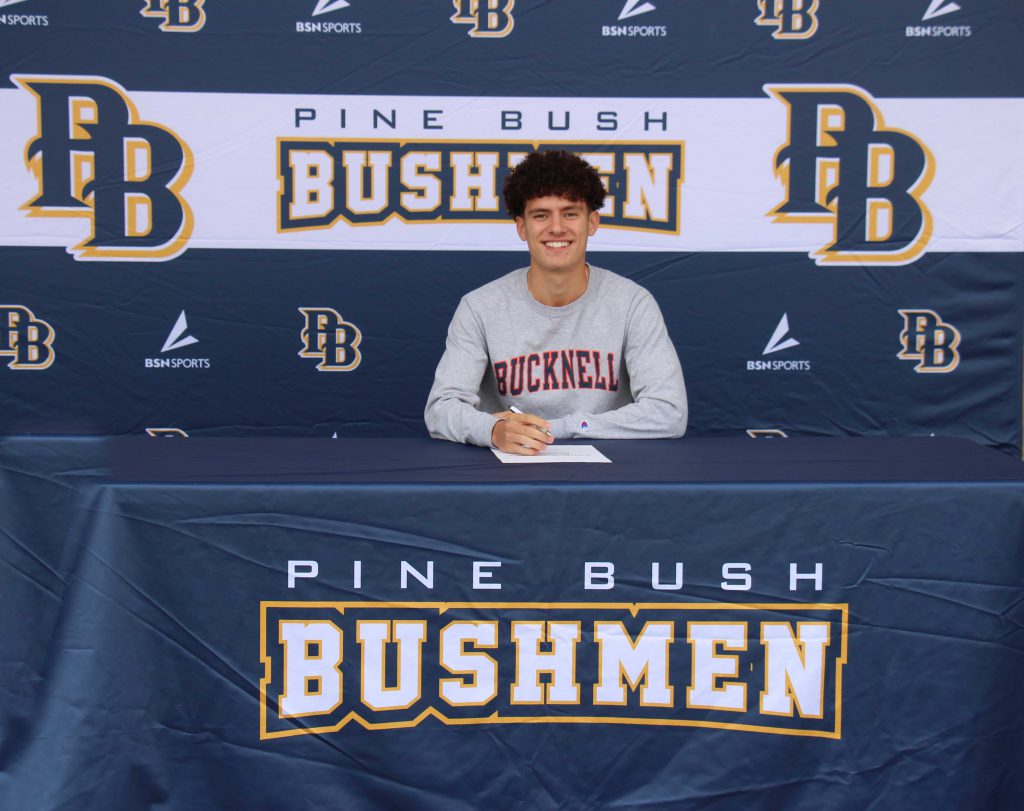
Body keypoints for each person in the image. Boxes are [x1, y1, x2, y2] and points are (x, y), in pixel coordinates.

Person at [424, 149, 687, 455]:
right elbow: (441, 409)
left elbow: (669, 412)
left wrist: (555, 428)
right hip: (507, 473)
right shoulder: (480, 307)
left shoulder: (632, 303)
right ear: (522, 227)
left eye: (570, 213)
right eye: (541, 215)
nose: (557, 227)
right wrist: (493, 430)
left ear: (592, 222)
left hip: (613, 477)